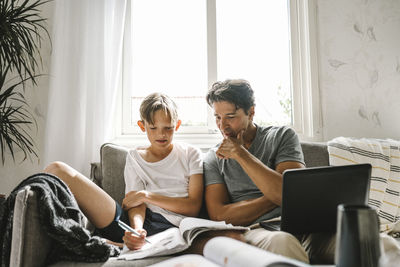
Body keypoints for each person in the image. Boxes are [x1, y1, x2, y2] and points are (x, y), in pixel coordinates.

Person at [44, 93, 205, 251]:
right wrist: (137, 231)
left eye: (168, 128)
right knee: (57, 169)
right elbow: (136, 205)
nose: (161, 134)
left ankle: (117, 245)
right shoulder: (135, 157)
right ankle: (124, 242)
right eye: (153, 127)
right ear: (142, 126)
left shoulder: (190, 153)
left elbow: (193, 207)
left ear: (177, 125)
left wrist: (146, 195)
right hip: (139, 223)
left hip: (172, 229)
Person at [203, 79, 335, 264]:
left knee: (374, 241)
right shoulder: (213, 158)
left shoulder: (281, 136)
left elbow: (293, 193)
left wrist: (241, 154)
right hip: (261, 230)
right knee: (283, 242)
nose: (223, 126)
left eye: (230, 117)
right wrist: (276, 194)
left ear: (251, 112)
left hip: (307, 227)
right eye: (217, 117)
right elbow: (220, 216)